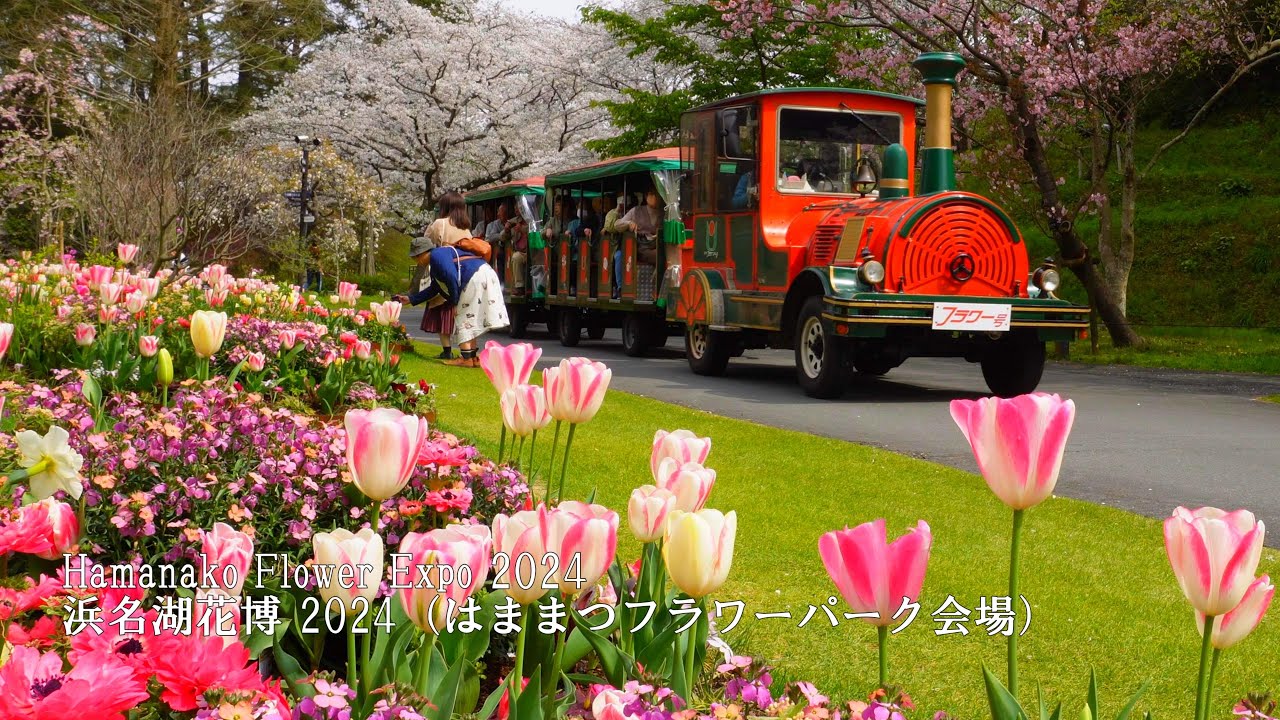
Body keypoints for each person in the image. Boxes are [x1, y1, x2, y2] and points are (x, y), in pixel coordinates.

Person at [398, 243, 509, 367]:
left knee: (463, 316)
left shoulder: (436, 256)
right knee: (470, 317)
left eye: (416, 257)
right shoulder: (440, 257)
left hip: (474, 277)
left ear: (423, 253)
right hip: (484, 273)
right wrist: (411, 299)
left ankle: (466, 358)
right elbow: (435, 288)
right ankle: (472, 357)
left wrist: (455, 302)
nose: (417, 261)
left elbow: (451, 277)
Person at [398, 191, 472, 359]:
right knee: (460, 315)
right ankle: (467, 353)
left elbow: (426, 242)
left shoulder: (440, 223)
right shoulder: (466, 228)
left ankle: (447, 351)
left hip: (443, 272)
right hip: (463, 275)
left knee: (441, 312)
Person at [602, 194, 626, 299]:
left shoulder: (632, 212)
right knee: (618, 256)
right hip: (614, 247)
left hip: (632, 245)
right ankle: (620, 288)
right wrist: (617, 211)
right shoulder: (612, 213)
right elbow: (609, 227)